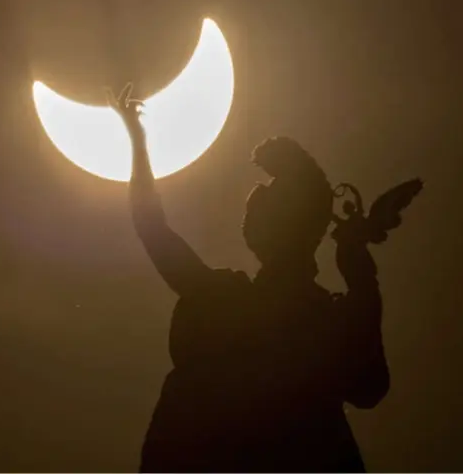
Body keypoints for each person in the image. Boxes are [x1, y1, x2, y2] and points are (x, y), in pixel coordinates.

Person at [108, 85, 390, 473]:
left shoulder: (226, 300)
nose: (253, 199)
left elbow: (152, 228)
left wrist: (138, 145)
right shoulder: (329, 316)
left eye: (267, 195)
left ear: (278, 222)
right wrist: (361, 281)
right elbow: (370, 388)